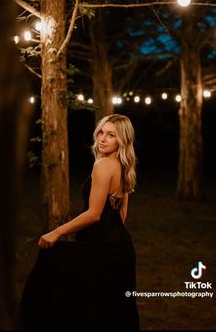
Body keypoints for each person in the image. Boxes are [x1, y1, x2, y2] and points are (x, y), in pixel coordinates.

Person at [19, 114, 140, 330]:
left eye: (111, 135)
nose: (103, 138)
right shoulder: (123, 165)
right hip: (120, 248)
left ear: (122, 140)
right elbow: (122, 215)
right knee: (105, 310)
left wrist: (56, 233)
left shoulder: (103, 165)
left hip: (101, 247)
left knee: (52, 265)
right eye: (101, 132)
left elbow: (94, 214)